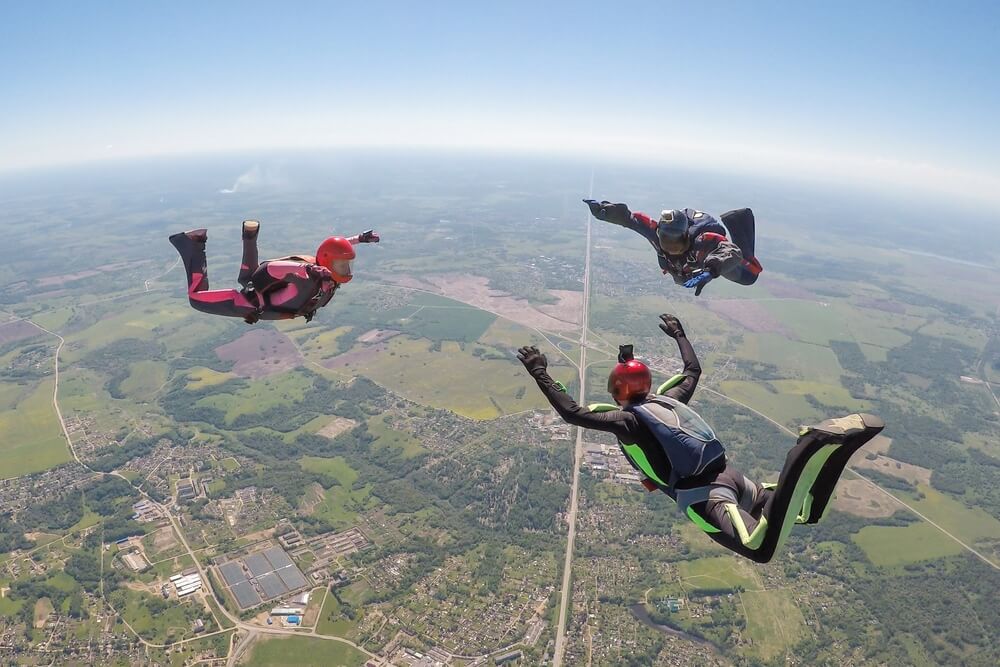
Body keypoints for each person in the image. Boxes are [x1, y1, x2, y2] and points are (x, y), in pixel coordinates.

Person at [516, 314, 883, 563]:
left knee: (760, 549)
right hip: (735, 480)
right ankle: (842, 447)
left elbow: (572, 412)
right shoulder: (668, 400)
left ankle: (809, 447)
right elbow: (692, 370)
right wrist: (679, 333)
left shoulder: (626, 421)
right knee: (802, 514)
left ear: (616, 390)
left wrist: (539, 371)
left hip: (704, 495)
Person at [169, 220, 379, 323]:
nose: (346, 270)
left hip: (270, 299)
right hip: (250, 304)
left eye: (348, 265)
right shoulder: (308, 274)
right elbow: (271, 269)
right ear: (326, 263)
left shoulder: (325, 273)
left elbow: (333, 250)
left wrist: (358, 239)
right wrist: (307, 268)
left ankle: (250, 235)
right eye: (342, 265)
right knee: (195, 299)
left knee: (247, 278)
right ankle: (192, 244)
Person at [583, 200, 762, 295]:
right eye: (666, 240)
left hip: (709, 262)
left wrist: (712, 269)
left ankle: (738, 220)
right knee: (682, 279)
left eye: (676, 242)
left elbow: (730, 251)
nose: (671, 247)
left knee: (749, 277)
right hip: (687, 271)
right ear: (659, 233)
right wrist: (604, 212)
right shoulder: (654, 232)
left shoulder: (702, 240)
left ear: (685, 236)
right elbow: (630, 219)